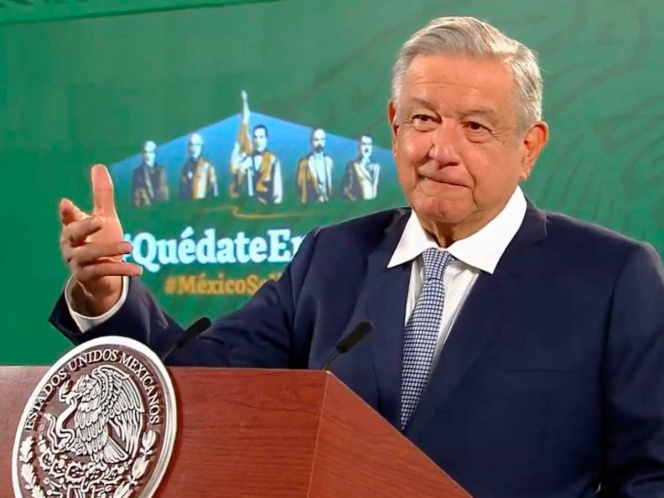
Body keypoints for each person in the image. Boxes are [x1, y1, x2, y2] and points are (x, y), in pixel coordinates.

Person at [51, 16, 664, 497]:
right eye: (423, 119)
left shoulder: (612, 278)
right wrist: (105, 297)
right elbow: (200, 386)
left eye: (476, 127)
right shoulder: (331, 258)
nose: (441, 150)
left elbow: (651, 474)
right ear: (394, 126)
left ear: (529, 147)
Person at [229, 91, 283, 204]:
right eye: (256, 137)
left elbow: (278, 187)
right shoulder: (248, 157)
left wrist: (276, 201)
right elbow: (236, 178)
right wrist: (240, 169)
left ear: (266, 138)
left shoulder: (273, 158)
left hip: (268, 204)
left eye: (261, 137)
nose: (258, 140)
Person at [295, 127, 334, 202]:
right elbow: (299, 185)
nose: (320, 143)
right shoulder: (304, 162)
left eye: (322, 139)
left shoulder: (329, 161)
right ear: (311, 142)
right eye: (316, 140)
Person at [178, 132, 218, 200]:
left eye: (196, 145)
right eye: (191, 145)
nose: (193, 148)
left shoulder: (207, 166)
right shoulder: (185, 167)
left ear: (201, 147)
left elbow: (213, 191)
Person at [340, 133, 380, 200]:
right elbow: (345, 190)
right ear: (359, 147)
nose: (367, 148)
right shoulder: (351, 166)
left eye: (369, 144)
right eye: (364, 144)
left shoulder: (377, 167)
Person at [130, 141, 170, 207]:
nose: (147, 155)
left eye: (150, 152)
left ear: (155, 153)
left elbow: (165, 194)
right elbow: (135, 198)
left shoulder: (161, 171)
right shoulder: (137, 173)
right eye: (145, 152)